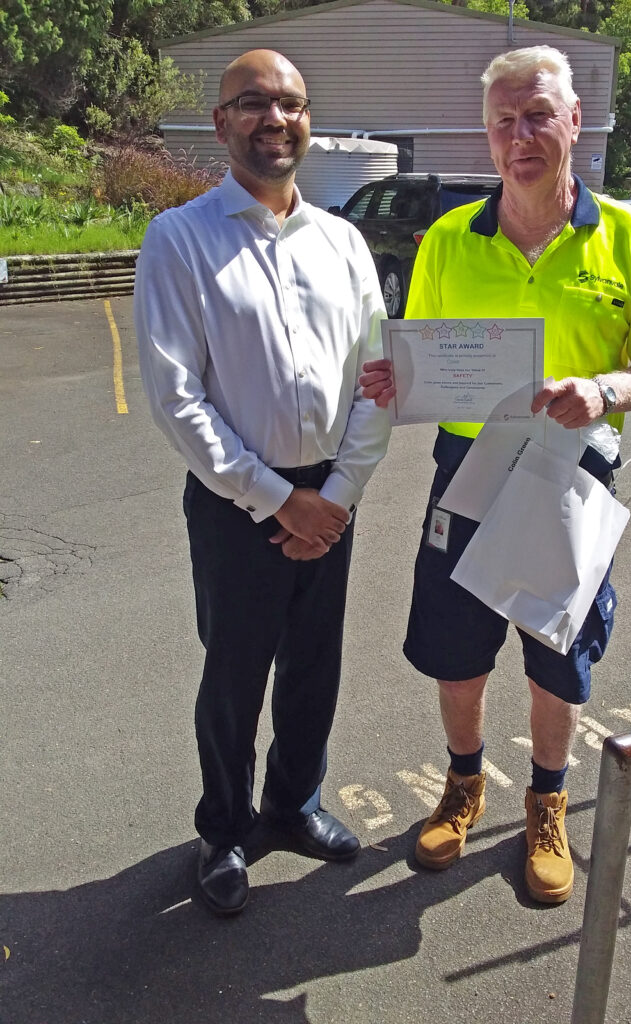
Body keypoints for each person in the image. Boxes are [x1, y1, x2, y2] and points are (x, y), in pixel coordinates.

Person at [360, 45, 631, 904]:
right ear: (487, 136)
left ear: (576, 121)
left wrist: (606, 388)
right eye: (504, 121)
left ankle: (548, 801)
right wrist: (397, 381)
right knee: (456, 651)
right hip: (467, 466)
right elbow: (420, 359)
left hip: (571, 471)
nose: (521, 134)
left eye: (539, 114)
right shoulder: (447, 241)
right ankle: (464, 784)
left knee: (556, 655)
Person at [134, 49, 390, 916]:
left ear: (308, 121)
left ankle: (293, 803)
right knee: (236, 675)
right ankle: (224, 828)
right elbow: (176, 399)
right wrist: (284, 501)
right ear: (221, 124)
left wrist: (339, 494)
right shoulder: (180, 239)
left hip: (333, 493)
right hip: (237, 501)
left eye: (289, 104)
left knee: (316, 666)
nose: (274, 119)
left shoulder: (344, 242)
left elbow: (377, 379)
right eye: (252, 104)